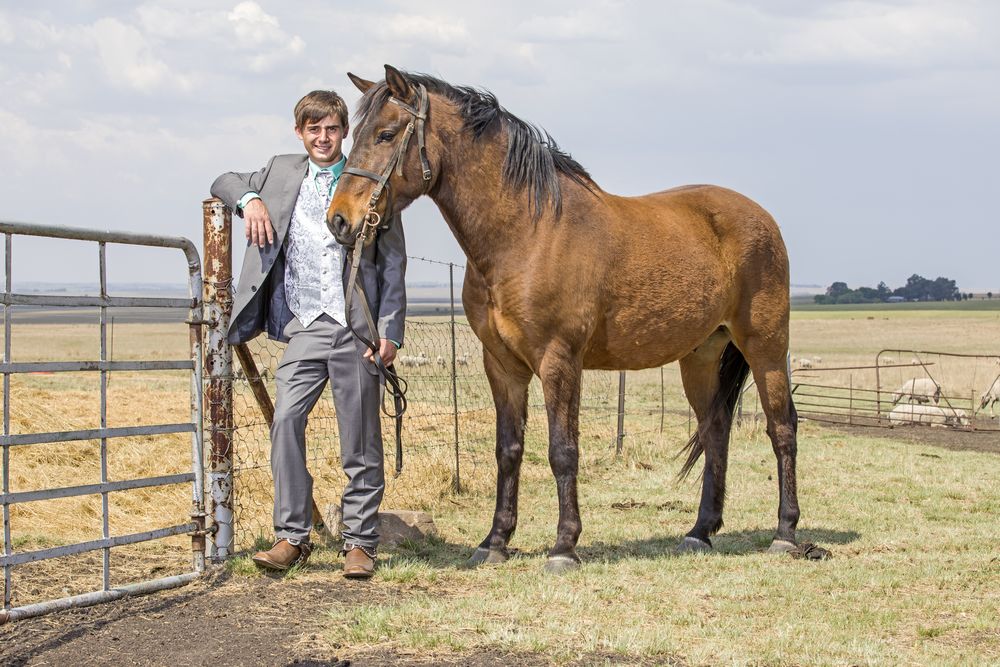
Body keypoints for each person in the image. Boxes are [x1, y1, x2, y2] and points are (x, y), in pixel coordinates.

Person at [210, 89, 406, 579]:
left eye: (332, 129)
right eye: (313, 129)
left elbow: (395, 264)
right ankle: (291, 536)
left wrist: (390, 332)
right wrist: (251, 201)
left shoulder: (369, 181)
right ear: (300, 133)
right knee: (285, 424)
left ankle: (360, 543)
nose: (323, 137)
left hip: (355, 330)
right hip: (303, 326)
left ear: (344, 132)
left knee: (359, 439)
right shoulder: (280, 171)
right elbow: (223, 181)